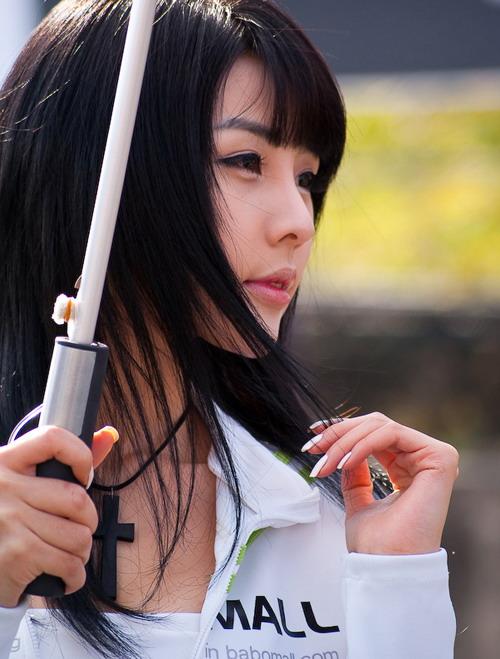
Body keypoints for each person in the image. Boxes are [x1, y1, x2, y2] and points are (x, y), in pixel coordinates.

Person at [0, 1, 459, 657]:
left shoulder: (335, 513)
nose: (299, 221)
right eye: (246, 160)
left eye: (307, 178)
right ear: (92, 169)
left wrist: (396, 583)